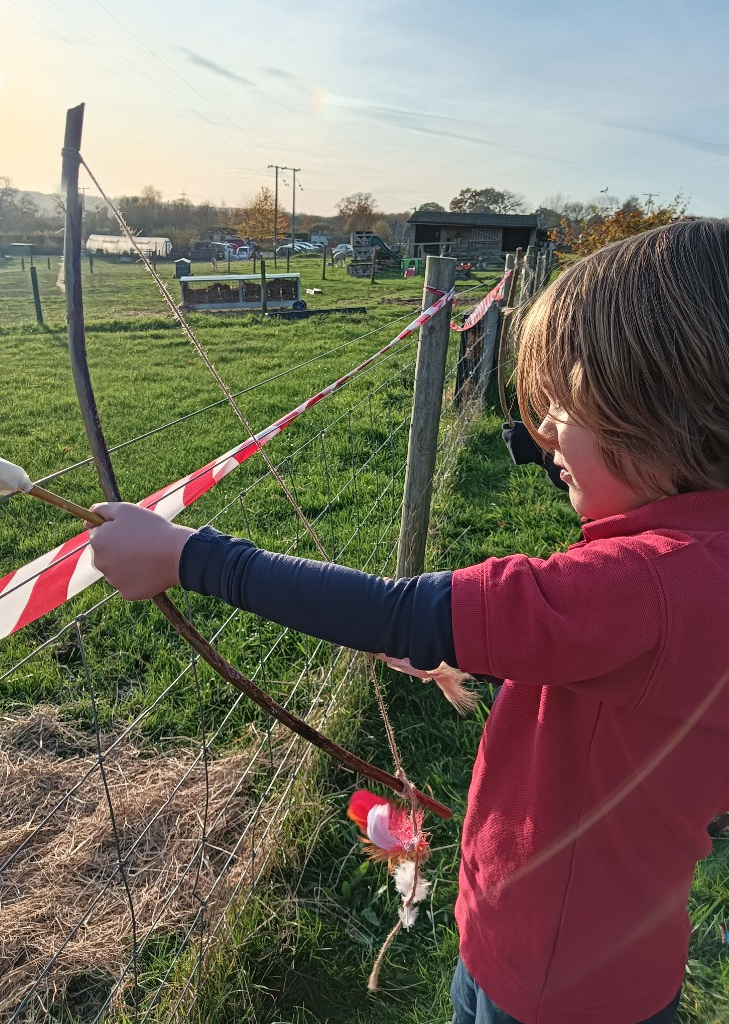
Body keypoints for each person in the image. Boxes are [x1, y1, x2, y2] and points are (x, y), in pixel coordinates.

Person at [89, 221, 729, 1024]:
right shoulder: (700, 571)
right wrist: (500, 662)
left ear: (668, 410)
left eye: (569, 404)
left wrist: (188, 557)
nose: (543, 431)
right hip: (599, 960)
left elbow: (400, 614)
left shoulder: (650, 579)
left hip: (549, 984)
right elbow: (647, 686)